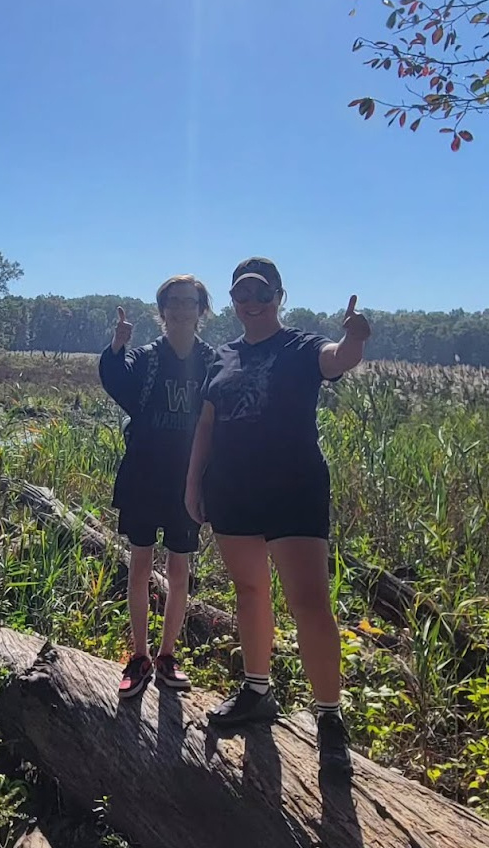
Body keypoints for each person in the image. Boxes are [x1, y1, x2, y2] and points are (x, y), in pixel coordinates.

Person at [184, 257, 370, 774]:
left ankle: (329, 717)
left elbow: (337, 359)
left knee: (309, 603)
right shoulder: (222, 356)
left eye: (261, 293)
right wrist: (193, 483)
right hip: (232, 489)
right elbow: (206, 424)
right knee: (250, 592)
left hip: (294, 488)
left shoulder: (301, 346)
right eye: (241, 294)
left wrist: (355, 339)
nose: (251, 302)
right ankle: (257, 691)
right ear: (233, 300)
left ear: (279, 296)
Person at [100, 274, 215, 699]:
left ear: (201, 310)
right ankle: (139, 655)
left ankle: (167, 656)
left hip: (188, 480)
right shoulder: (147, 358)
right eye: (174, 302)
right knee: (140, 565)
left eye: (189, 302)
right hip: (145, 476)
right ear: (162, 310)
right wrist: (117, 346)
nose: (181, 309)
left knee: (180, 570)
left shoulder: (211, 361)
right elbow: (116, 378)